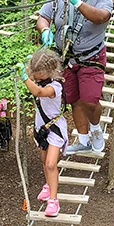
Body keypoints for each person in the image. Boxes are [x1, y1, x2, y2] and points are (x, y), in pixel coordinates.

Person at [36, 0, 113, 154]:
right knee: (74, 100)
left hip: (91, 57)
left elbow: (101, 17)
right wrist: (45, 30)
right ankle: (84, 139)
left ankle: (96, 128)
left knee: (89, 100)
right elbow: (43, 17)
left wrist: (77, 3)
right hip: (66, 58)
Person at [18, 49, 67, 217]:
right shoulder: (38, 80)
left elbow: (38, 92)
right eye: (36, 73)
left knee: (51, 164)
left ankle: (53, 200)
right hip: (42, 129)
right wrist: (26, 67)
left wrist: (25, 78)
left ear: (50, 71)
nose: (36, 76)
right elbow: (30, 77)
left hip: (55, 128)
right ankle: (48, 184)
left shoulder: (55, 86)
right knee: (45, 162)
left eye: (39, 73)